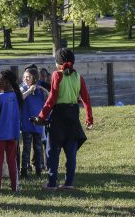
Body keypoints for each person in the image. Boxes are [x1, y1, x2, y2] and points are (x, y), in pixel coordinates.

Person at [33, 48, 93, 191]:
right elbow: (86, 99)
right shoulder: (78, 77)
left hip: (59, 116)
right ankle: (69, 183)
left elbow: (52, 99)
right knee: (71, 152)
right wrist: (89, 118)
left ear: (58, 63)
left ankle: (52, 183)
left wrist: (41, 116)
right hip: (73, 117)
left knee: (52, 151)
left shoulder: (56, 75)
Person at [0, 70, 23, 194]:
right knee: (12, 162)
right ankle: (15, 188)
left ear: (7, 82)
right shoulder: (17, 96)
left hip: (0, 135)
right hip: (13, 135)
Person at [20, 67, 49, 178]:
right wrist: (29, 90)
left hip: (38, 123)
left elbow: (49, 96)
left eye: (28, 77)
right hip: (27, 124)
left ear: (35, 78)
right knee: (26, 149)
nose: (25, 79)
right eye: (24, 77)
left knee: (38, 148)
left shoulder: (40, 90)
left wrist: (41, 88)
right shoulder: (22, 88)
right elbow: (20, 98)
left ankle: (38, 171)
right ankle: (24, 171)